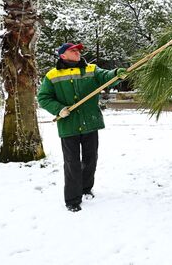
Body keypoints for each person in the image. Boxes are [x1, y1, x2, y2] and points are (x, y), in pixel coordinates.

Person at [37, 43, 127, 212]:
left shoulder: (91, 69)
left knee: (90, 158)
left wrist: (116, 74)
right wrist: (59, 109)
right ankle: (72, 199)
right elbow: (43, 98)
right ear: (63, 55)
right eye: (73, 50)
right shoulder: (52, 75)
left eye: (78, 50)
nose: (78, 52)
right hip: (68, 125)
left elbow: (105, 76)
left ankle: (86, 188)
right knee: (72, 162)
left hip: (90, 123)